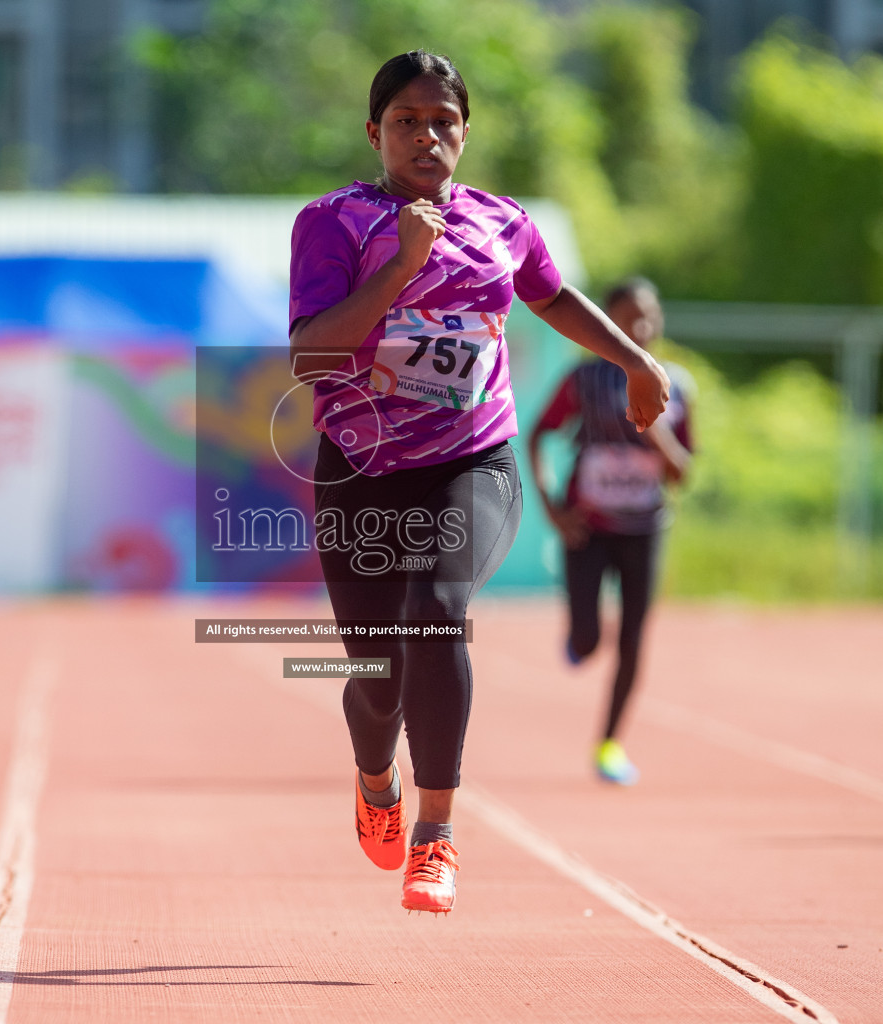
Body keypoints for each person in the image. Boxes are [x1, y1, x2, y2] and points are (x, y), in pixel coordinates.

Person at [289, 51, 669, 914]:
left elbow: (554, 295)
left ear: (465, 131)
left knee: (437, 611)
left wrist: (636, 358)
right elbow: (310, 353)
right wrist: (397, 270)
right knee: (376, 675)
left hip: (473, 461)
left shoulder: (501, 222)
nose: (427, 137)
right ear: (374, 132)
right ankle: (374, 776)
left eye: (444, 122)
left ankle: (437, 835)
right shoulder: (334, 223)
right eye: (407, 122)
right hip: (362, 470)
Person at [527, 277, 694, 786]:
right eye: (626, 317)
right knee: (590, 639)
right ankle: (580, 637)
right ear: (607, 322)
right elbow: (537, 436)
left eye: (647, 317)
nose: (638, 327)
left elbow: (682, 473)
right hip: (589, 529)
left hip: (644, 530)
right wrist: (554, 510)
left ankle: (609, 743)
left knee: (634, 639)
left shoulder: (678, 385)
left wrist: (656, 431)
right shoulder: (584, 381)